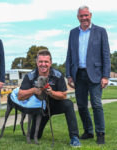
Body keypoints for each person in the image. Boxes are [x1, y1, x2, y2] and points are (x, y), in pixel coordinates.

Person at [66, 6, 111, 144]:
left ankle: (100, 133)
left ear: (90, 15)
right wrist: (68, 75)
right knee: (81, 105)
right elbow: (69, 55)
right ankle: (88, 131)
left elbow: (106, 55)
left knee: (96, 104)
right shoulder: (73, 33)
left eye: (86, 15)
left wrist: (105, 76)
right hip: (78, 74)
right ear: (77, 17)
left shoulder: (100, 31)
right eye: (81, 16)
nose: (84, 18)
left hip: (96, 74)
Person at [18, 49, 81, 147]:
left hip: (54, 104)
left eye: (46, 62)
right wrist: (33, 90)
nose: (43, 64)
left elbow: (63, 95)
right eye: (41, 62)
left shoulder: (57, 75)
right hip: (40, 108)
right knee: (34, 136)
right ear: (37, 62)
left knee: (68, 104)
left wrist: (51, 92)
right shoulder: (30, 76)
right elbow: (20, 96)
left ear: (50, 63)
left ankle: (74, 137)